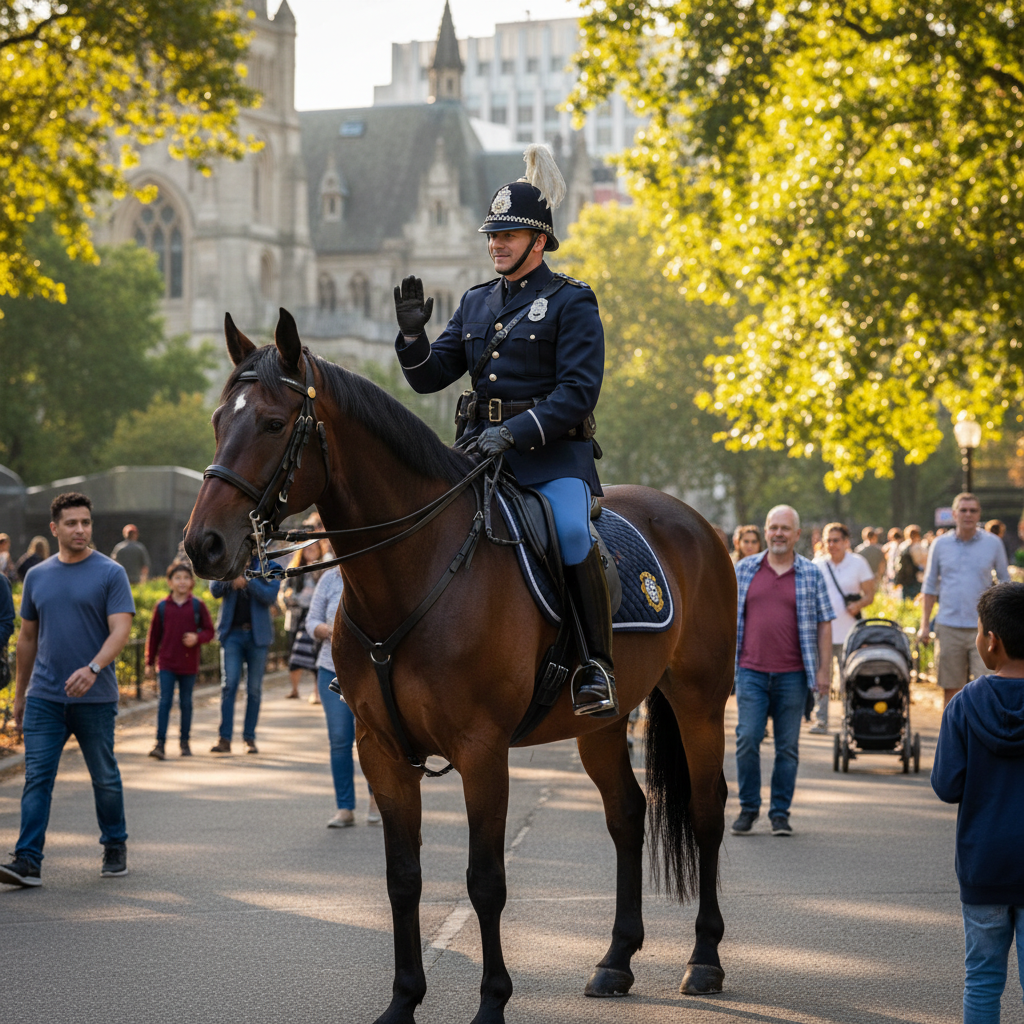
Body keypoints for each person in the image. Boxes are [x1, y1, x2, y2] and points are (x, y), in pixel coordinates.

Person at [392, 143, 615, 717]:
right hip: (476, 455)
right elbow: (429, 378)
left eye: (508, 235)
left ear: (538, 241)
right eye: (492, 234)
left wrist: (516, 432)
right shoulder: (475, 303)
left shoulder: (572, 302)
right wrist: (413, 337)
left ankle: (596, 666)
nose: (495, 243)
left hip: (550, 457)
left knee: (570, 532)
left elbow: (577, 394)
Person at [0, 492, 135, 888]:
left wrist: (94, 668)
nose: (81, 529)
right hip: (44, 696)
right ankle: (28, 860)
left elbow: (121, 628)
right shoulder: (38, 575)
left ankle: (114, 844)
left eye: (86, 522)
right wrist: (21, 695)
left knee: (104, 776)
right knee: (37, 777)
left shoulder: (111, 572)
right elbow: (27, 638)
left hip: (94, 697)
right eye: (72, 523)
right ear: (54, 528)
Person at [931, 582, 1024, 1024]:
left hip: (983, 864)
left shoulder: (965, 704)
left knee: (983, 979)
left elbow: (947, 785)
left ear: (991, 641)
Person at [731, 505, 834, 837]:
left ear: (797, 535)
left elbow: (824, 624)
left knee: (787, 747)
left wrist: (823, 673)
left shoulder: (811, 573)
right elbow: (727, 622)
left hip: (793, 674)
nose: (778, 533)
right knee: (747, 739)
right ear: (765, 531)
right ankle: (748, 809)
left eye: (785, 529)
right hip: (751, 671)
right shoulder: (744, 569)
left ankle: (779, 813)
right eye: (773, 527)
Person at [305, 566, 380, 827]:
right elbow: (311, 620)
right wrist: (326, 630)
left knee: (373, 738)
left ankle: (377, 800)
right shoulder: (328, 579)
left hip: (368, 673)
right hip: (330, 669)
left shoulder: (372, 573)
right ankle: (344, 808)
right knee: (339, 741)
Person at [920, 493, 1010, 708]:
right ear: (954, 514)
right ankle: (953, 739)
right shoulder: (940, 545)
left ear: (979, 514)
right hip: (948, 626)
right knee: (951, 689)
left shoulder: (993, 543)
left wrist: (1006, 624)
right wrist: (924, 625)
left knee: (987, 688)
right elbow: (930, 586)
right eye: (963, 510)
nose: (968, 514)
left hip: (985, 629)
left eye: (973, 510)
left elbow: (1006, 584)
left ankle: (984, 741)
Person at [209, 559, 280, 754]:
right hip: (232, 634)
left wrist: (249, 580)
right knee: (229, 684)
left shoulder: (271, 566)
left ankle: (249, 738)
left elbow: (270, 595)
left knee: (254, 689)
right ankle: (224, 739)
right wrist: (232, 579)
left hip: (259, 637)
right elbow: (214, 589)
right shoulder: (227, 561)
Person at [145, 562, 215, 759]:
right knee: (164, 702)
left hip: (188, 664)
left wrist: (197, 638)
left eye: (185, 578)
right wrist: (149, 662)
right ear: (170, 582)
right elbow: (153, 636)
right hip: (166, 663)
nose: (182, 582)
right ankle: (160, 743)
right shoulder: (161, 606)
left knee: (186, 703)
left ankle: (185, 743)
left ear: (192, 582)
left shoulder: (197, 605)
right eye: (177, 578)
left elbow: (210, 631)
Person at [811, 523, 876, 733]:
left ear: (846, 542)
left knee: (849, 677)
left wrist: (857, 604)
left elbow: (870, 595)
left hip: (851, 633)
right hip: (823, 633)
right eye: (828, 540)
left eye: (836, 540)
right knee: (822, 677)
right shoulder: (817, 565)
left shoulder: (858, 563)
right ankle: (821, 720)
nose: (831, 545)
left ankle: (850, 718)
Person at [279, 542, 325, 702]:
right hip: (297, 618)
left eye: (314, 548)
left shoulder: (324, 570)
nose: (310, 551)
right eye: (307, 548)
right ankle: (294, 689)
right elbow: (284, 594)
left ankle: (316, 692)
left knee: (316, 654)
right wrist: (290, 597)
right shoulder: (293, 571)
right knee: (295, 654)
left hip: (317, 617)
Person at [894, 524, 927, 602]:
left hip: (904, 577)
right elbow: (922, 562)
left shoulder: (903, 546)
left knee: (905, 599)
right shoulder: (919, 547)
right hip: (917, 577)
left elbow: (897, 562)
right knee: (917, 599)